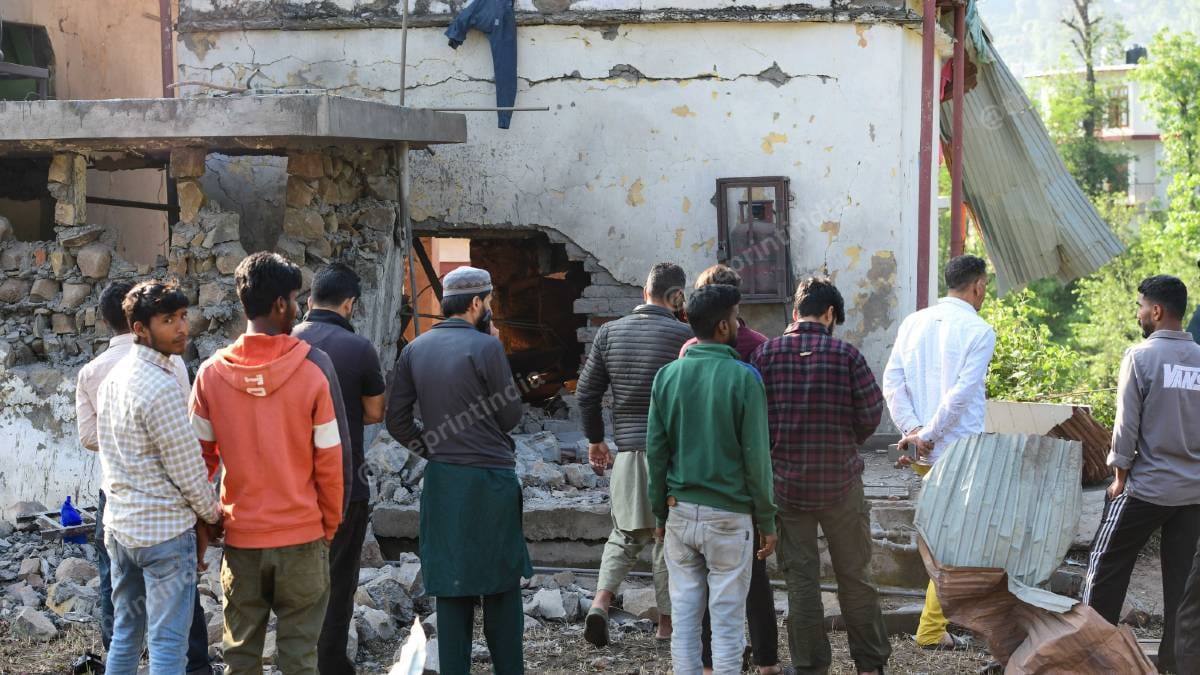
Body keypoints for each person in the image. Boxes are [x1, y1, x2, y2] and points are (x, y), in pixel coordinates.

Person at [190, 252, 349, 675]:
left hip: (242, 541)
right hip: (303, 537)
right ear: (281, 304)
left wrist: (207, 523)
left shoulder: (209, 375)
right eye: (296, 299)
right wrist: (328, 526)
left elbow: (196, 466)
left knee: (240, 657)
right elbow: (331, 465)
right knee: (300, 659)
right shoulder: (314, 369)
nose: (298, 309)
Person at [386, 266, 532, 675]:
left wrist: (433, 445)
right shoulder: (486, 348)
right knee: (501, 588)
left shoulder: (414, 349)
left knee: (450, 587)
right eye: (489, 302)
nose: (491, 309)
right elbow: (509, 417)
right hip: (490, 482)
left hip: (443, 482)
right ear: (476, 304)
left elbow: (396, 421)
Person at [752, 278, 889, 675]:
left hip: (787, 488)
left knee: (802, 583)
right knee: (855, 576)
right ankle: (870, 666)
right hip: (842, 486)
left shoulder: (765, 355)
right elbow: (870, 414)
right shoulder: (847, 355)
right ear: (830, 315)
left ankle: (810, 667)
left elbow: (755, 424)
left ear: (795, 313)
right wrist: (847, 442)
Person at [647, 283, 778, 675]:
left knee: (685, 621)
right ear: (723, 326)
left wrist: (658, 513)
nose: (739, 323)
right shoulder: (745, 378)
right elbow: (757, 459)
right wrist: (767, 521)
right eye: (737, 316)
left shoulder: (667, 376)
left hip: (680, 514)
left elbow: (656, 454)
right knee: (727, 623)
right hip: (730, 517)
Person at [95, 280, 223, 674]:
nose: (181, 327)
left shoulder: (114, 377)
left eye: (183, 316)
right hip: (164, 536)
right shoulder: (161, 387)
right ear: (139, 329)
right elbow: (187, 471)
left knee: (126, 635)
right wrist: (214, 516)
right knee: (168, 645)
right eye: (168, 320)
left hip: (121, 529)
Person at [1078, 276, 1200, 674]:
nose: (1138, 313)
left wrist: (1119, 476)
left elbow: (1126, 427)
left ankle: (1089, 659)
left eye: (1140, 306)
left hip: (1146, 488)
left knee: (1105, 567)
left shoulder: (1140, 357)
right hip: (1192, 494)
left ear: (1157, 311)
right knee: (1184, 589)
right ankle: (1176, 667)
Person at [576, 262, 694, 647]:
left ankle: (600, 603)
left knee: (625, 533)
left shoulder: (609, 333)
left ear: (644, 292)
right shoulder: (684, 337)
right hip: (672, 455)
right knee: (664, 538)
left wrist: (596, 440)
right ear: (677, 297)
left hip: (627, 453)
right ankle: (665, 626)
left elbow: (586, 393)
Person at [882, 254, 995, 651]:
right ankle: (931, 629)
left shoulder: (913, 322)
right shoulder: (979, 330)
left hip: (923, 453)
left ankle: (936, 623)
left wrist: (913, 430)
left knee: (941, 536)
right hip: (959, 453)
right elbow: (962, 395)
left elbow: (892, 380)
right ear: (977, 286)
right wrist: (927, 432)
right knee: (952, 542)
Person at [682, 265, 780, 675]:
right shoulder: (760, 347)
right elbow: (764, 429)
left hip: (695, 486)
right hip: (742, 485)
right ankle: (766, 660)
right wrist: (766, 508)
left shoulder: (686, 354)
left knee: (705, 581)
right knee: (755, 579)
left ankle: (708, 662)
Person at [293, 263, 387, 675]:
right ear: (349, 304)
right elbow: (375, 412)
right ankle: (329, 661)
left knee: (296, 577)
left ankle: (294, 657)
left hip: (292, 486)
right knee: (338, 577)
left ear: (308, 300)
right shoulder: (359, 349)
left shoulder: (284, 343)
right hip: (347, 485)